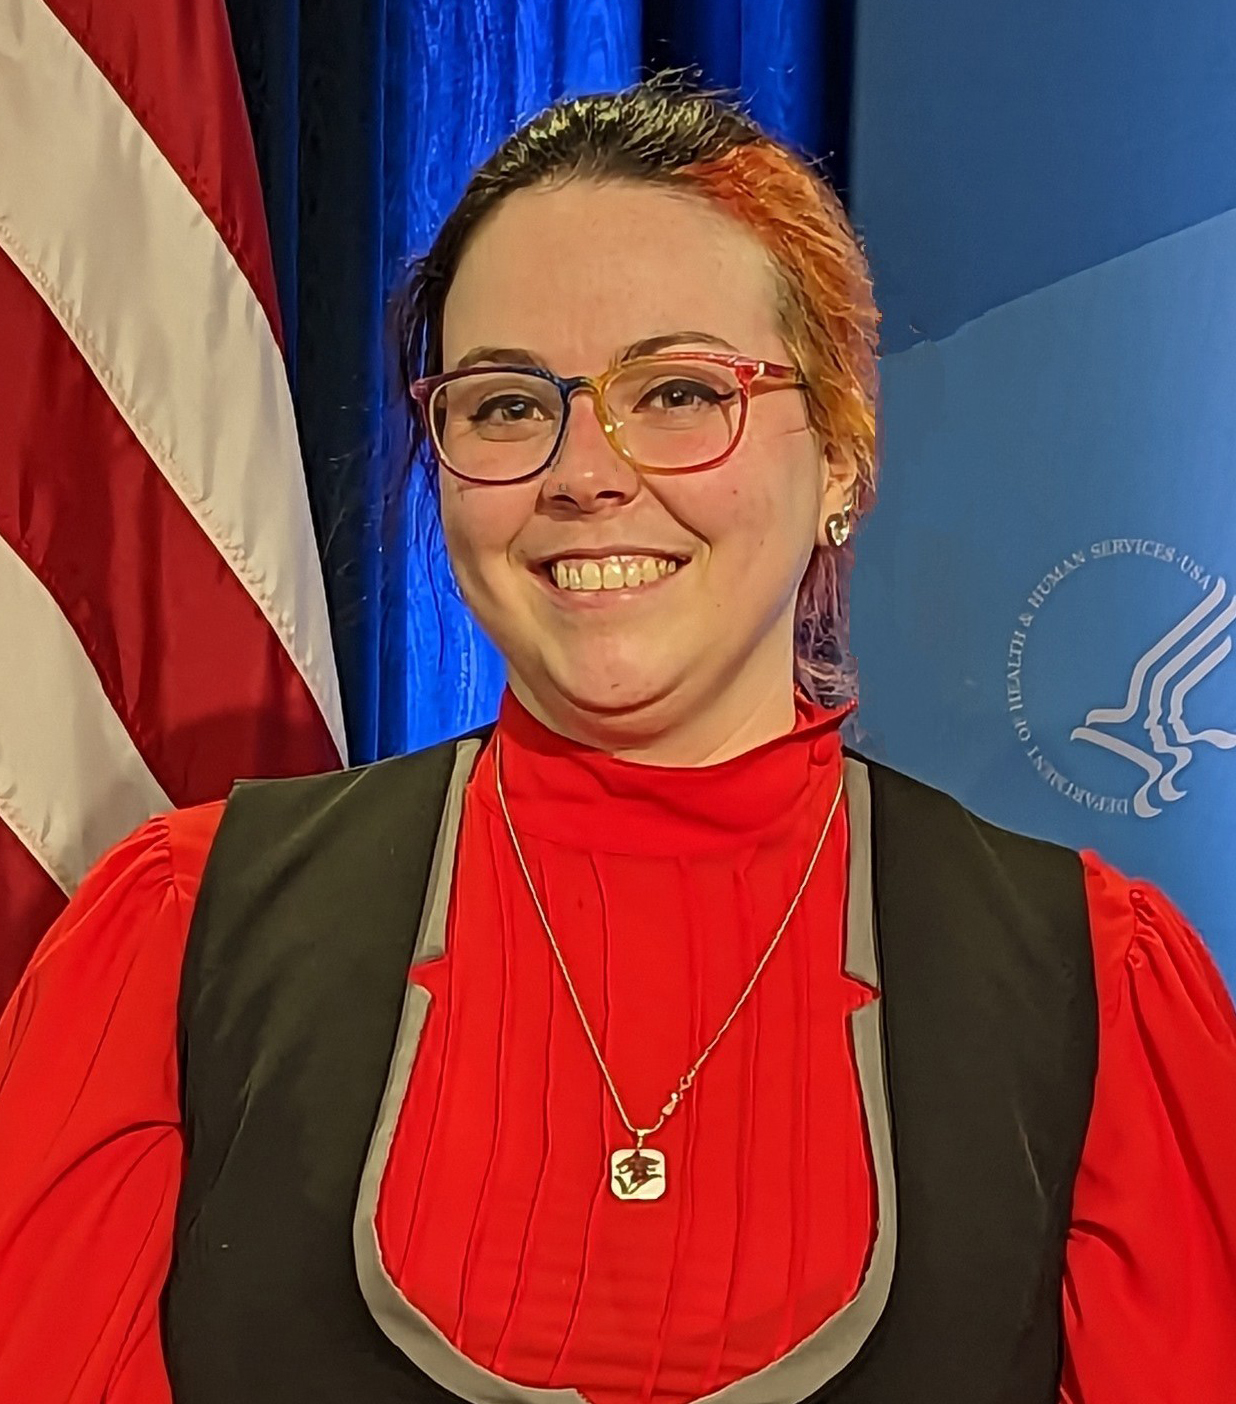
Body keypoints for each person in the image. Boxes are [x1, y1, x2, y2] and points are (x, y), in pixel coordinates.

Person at [1, 80, 1234, 1404]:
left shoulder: (1093, 988)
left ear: (840, 456)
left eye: (681, 390)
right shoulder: (184, 934)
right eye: (508, 405)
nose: (583, 469)